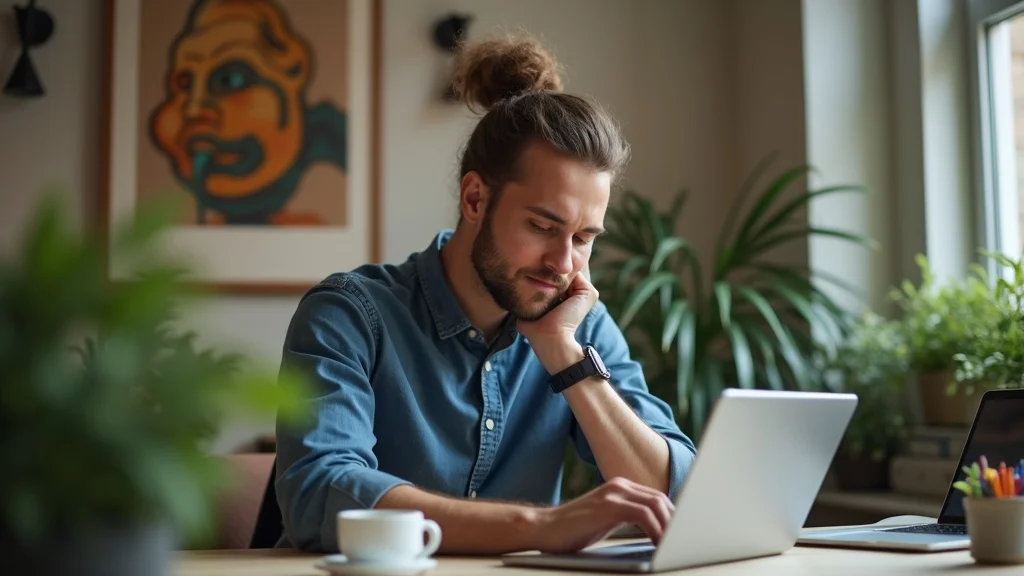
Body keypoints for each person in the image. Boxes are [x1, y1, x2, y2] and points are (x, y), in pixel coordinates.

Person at [274, 34, 697, 556]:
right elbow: (321, 490)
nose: (564, 264)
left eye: (584, 238)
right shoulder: (349, 314)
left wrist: (564, 356)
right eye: (544, 226)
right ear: (475, 198)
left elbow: (671, 496)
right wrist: (538, 526)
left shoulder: (578, 326)